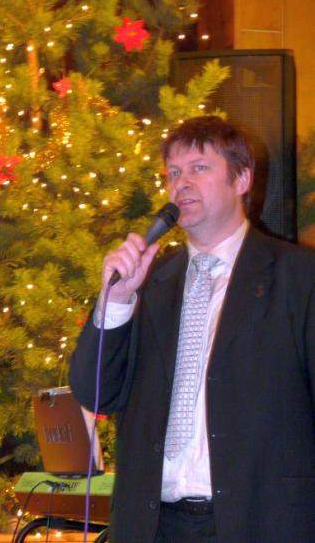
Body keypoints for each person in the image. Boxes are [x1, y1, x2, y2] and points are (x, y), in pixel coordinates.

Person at [69, 116, 315, 542]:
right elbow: (96, 392)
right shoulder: (148, 283)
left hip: (260, 523)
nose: (181, 183)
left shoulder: (298, 277)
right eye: (173, 173)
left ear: (242, 180)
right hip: (154, 527)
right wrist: (116, 301)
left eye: (199, 168)